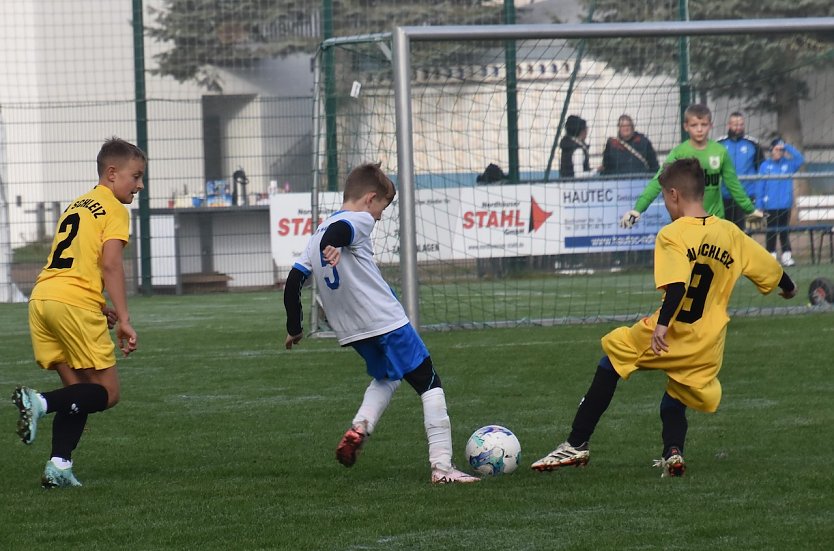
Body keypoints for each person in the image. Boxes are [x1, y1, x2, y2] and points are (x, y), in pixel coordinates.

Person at [532, 158, 796, 477]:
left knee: (612, 359)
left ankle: (575, 445)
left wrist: (661, 324)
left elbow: (677, 286)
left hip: (671, 332)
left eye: (663, 198)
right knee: (676, 393)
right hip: (708, 344)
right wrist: (789, 289)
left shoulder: (672, 234)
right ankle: (673, 452)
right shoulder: (731, 233)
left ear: (674, 194)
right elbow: (772, 270)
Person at [283, 162, 479, 485]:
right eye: (382, 208)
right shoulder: (355, 220)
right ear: (370, 199)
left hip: (352, 331)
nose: (380, 216)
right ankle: (443, 468)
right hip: (385, 320)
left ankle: (360, 427)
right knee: (430, 383)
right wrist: (332, 244)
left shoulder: (317, 231)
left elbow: (293, 282)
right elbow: (341, 233)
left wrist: (295, 326)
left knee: (388, 377)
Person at [12, 137, 144, 488]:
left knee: (80, 395)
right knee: (108, 393)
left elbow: (71, 264)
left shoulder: (76, 205)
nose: (140, 185)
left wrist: (100, 306)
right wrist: (125, 318)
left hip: (43, 300)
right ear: (112, 173)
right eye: (136, 176)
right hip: (71, 306)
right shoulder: (115, 209)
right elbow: (111, 264)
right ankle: (37, 401)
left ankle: (59, 466)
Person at [620, 104, 764, 229]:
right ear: (686, 127)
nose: (699, 129)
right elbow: (658, 181)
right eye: (694, 125)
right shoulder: (679, 152)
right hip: (687, 222)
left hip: (715, 220)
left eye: (704, 125)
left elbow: (734, 185)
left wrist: (750, 209)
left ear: (710, 125)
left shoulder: (720, 152)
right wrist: (638, 209)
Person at [758, 138, 805, 267]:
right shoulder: (765, 166)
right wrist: (759, 205)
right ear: (771, 150)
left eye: (782, 149)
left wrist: (787, 146)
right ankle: (771, 257)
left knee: (784, 231)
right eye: (777, 149)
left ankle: (786, 256)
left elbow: (801, 159)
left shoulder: (789, 164)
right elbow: (760, 185)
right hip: (770, 206)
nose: (780, 152)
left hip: (785, 205)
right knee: (771, 231)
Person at [717, 112, 765, 229]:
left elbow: (762, 170)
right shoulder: (719, 144)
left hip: (747, 197)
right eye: (735, 124)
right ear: (729, 125)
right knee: (726, 231)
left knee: (746, 234)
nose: (738, 127)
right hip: (725, 196)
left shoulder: (753, 144)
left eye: (741, 124)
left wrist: (760, 197)